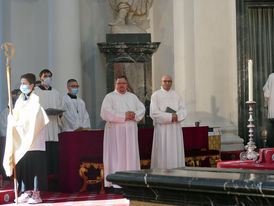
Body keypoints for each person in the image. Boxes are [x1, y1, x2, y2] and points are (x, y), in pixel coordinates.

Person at [3, 73, 49, 204]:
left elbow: (34, 118)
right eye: (21, 83)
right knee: (24, 165)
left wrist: (20, 123)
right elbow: (15, 116)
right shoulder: (19, 100)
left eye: (25, 83)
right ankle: (26, 191)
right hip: (23, 139)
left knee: (35, 166)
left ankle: (36, 194)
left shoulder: (35, 100)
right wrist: (12, 120)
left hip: (34, 139)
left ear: (32, 85)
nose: (22, 86)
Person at [100, 75, 145, 188]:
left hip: (130, 132)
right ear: (115, 85)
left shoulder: (132, 97)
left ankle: (133, 180)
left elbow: (142, 109)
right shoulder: (109, 97)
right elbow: (106, 113)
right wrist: (123, 116)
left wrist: (134, 115)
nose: (121, 86)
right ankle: (116, 182)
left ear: (127, 85)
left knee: (130, 154)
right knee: (117, 155)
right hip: (116, 132)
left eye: (124, 83)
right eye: (119, 83)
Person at [150, 75, 187, 169]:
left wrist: (177, 116)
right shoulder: (156, 95)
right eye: (165, 81)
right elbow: (154, 113)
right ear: (161, 82)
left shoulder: (176, 95)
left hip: (175, 128)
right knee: (163, 151)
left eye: (169, 81)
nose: (167, 83)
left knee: (175, 150)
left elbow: (183, 110)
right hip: (162, 129)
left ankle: (177, 172)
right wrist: (170, 116)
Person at [35, 69, 63, 175]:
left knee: (54, 152)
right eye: (45, 76)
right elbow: (34, 108)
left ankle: (54, 174)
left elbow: (60, 106)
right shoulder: (36, 92)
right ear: (40, 78)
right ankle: (43, 174)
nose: (47, 78)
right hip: (43, 125)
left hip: (54, 124)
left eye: (49, 76)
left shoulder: (56, 92)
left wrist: (60, 114)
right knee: (44, 151)